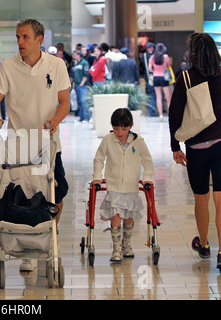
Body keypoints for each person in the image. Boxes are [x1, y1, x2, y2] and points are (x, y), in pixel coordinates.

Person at [0, 19, 71, 272]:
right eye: (17, 37)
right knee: (22, 194)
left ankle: (48, 239)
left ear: (39, 39)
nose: (20, 42)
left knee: (56, 192)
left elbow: (64, 102)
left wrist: (54, 121)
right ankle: (27, 248)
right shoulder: (7, 67)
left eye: (25, 37)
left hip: (47, 141)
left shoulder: (56, 65)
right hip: (18, 144)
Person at [169, 32, 221, 270]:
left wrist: (175, 146)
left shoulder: (185, 78)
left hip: (197, 148)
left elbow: (175, 114)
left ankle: (204, 244)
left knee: (201, 198)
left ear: (193, 53)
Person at [93, 108, 154, 263]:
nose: (120, 132)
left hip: (131, 186)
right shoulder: (108, 140)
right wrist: (97, 178)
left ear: (131, 126)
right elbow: (99, 158)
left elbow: (147, 161)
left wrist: (147, 178)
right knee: (115, 215)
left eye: (124, 129)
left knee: (128, 217)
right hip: (113, 186)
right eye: (116, 128)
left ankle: (126, 244)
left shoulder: (138, 142)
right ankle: (116, 248)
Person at [149, 43, 172, 121]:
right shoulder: (165, 57)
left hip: (156, 77)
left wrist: (155, 71)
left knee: (158, 97)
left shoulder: (152, 57)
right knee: (168, 97)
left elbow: (150, 69)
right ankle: (170, 115)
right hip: (164, 77)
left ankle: (161, 115)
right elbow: (168, 65)